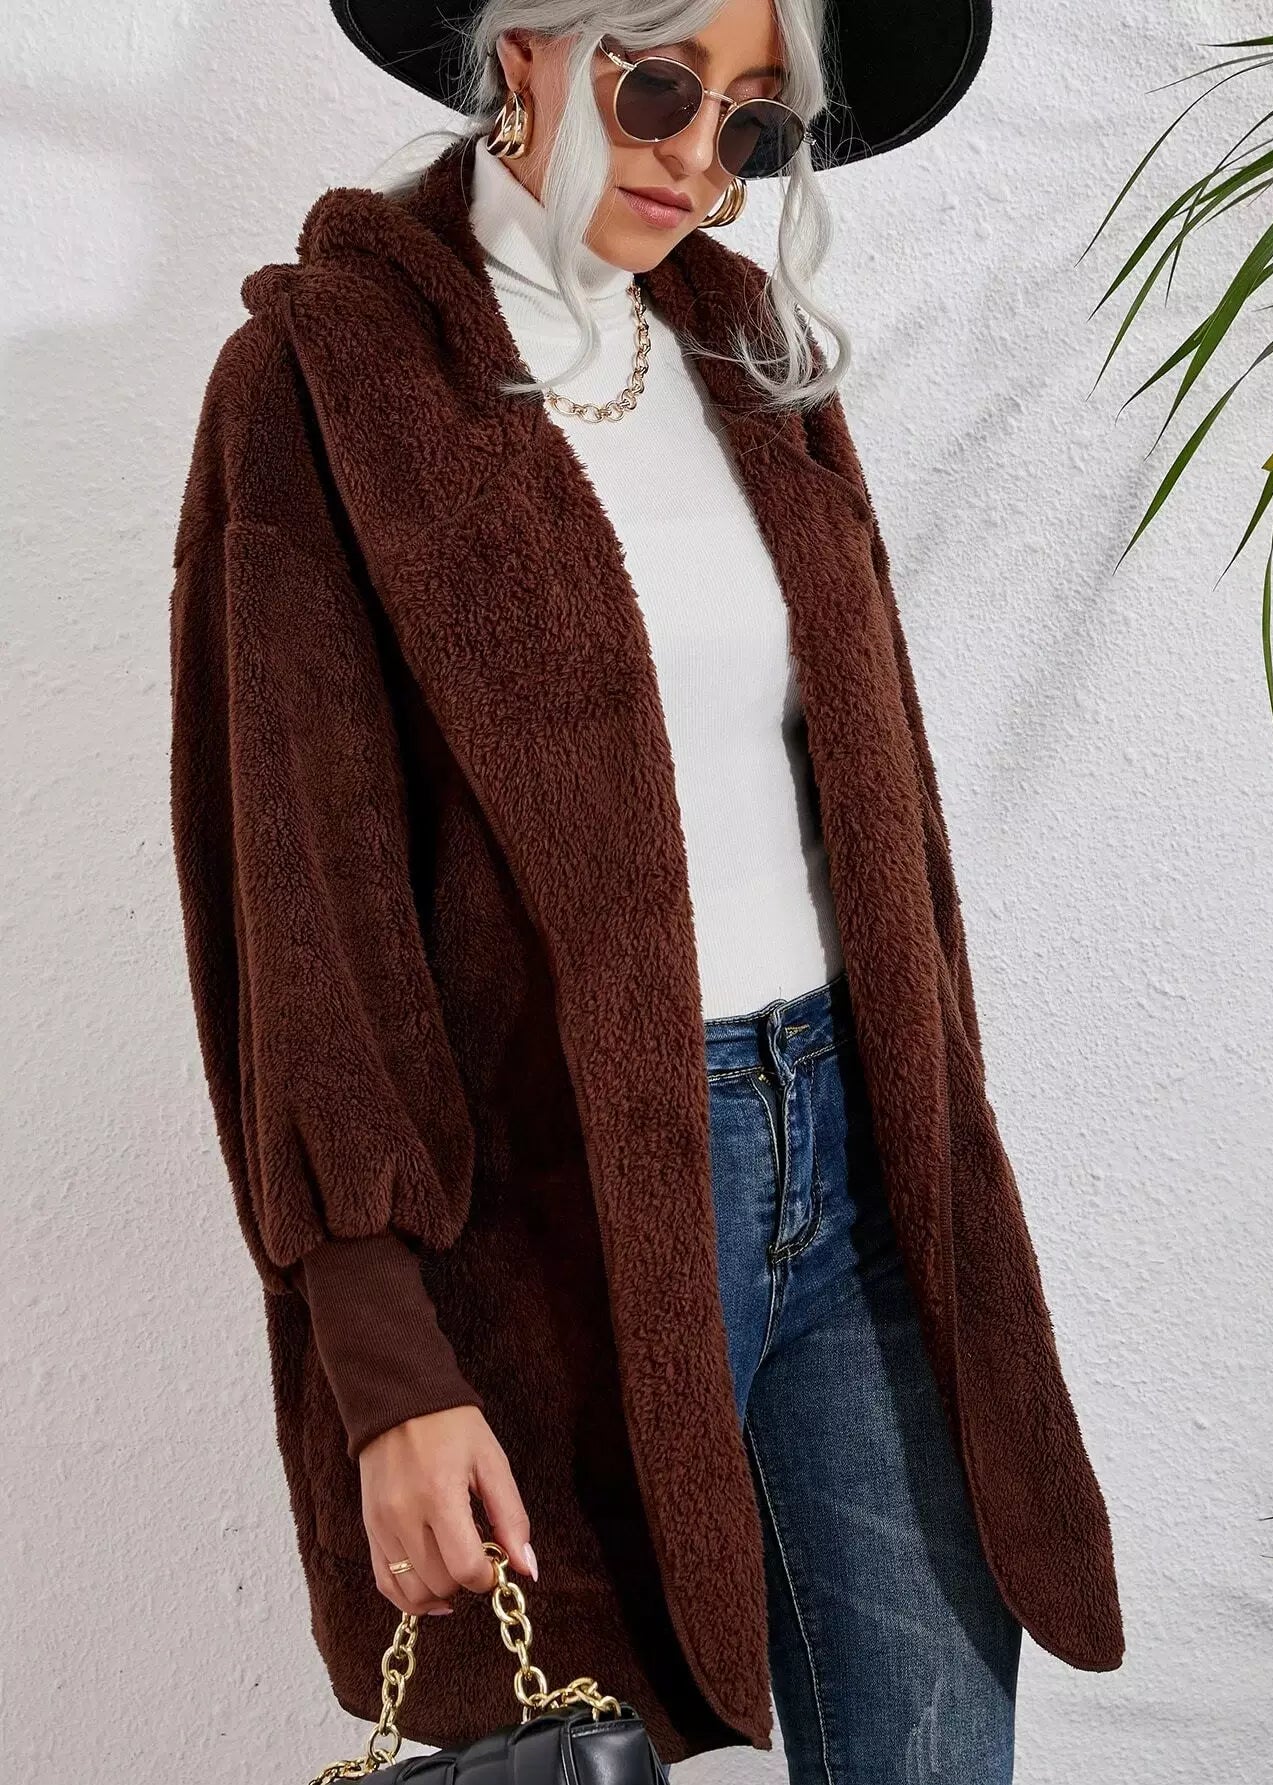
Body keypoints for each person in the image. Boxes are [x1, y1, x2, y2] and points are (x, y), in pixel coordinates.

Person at [168, 0, 1124, 1778]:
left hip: (863, 1167)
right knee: (573, 1744)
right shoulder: (323, 380)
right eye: (664, 84)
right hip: (552, 1206)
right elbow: (299, 908)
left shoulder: (748, 349)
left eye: (755, 122)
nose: (699, 157)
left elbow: (883, 815)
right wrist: (383, 1364)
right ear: (527, 41)